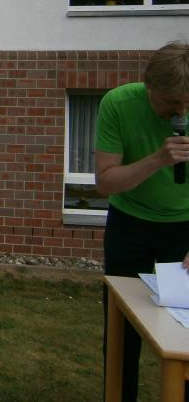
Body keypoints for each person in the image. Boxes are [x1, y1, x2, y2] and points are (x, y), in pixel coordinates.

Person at [95, 40, 189, 402]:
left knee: (184, 331)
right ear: (150, 85)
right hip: (129, 223)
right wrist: (158, 160)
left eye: (187, 103)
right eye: (172, 103)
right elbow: (105, 182)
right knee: (121, 330)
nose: (181, 112)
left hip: (184, 228)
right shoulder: (118, 104)